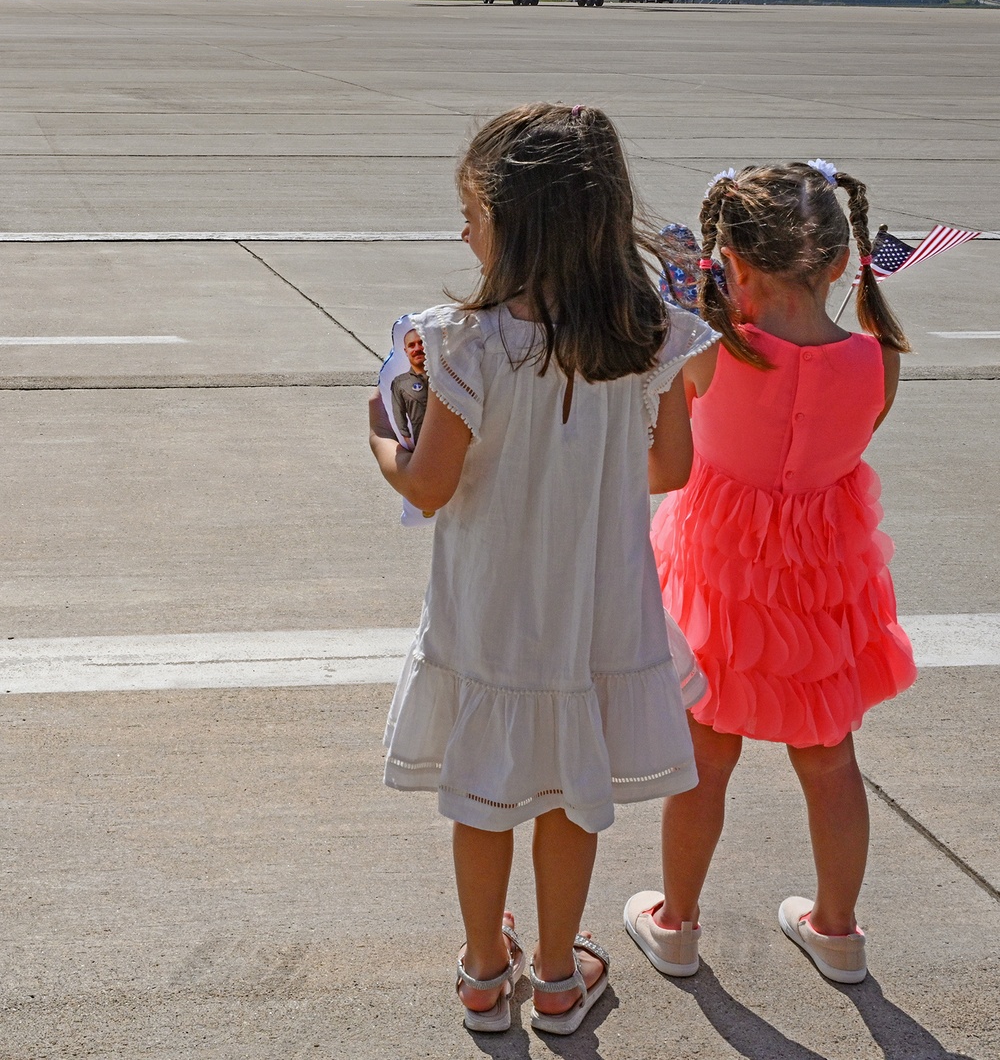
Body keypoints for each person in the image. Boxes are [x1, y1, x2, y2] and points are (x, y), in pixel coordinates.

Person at [368, 103, 716, 1035]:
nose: (463, 230)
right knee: (572, 792)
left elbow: (431, 483)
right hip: (595, 614)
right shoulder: (650, 334)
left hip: (492, 615)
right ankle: (560, 978)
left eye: (473, 211)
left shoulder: (465, 343)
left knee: (485, 796)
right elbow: (669, 470)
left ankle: (486, 973)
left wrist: (378, 434)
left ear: (515, 222)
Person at [625, 160, 918, 986]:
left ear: (733, 265)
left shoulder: (712, 355)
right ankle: (837, 930)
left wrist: (688, 307)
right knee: (830, 759)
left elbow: (664, 424)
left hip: (720, 574)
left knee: (704, 756)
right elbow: (848, 437)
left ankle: (677, 923)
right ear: (837, 261)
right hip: (825, 576)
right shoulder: (878, 359)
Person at [389, 328, 429, 446]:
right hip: (420, 444)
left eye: (421, 343)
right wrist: (409, 444)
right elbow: (399, 414)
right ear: (406, 351)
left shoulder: (446, 377)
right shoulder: (400, 383)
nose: (417, 348)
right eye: (412, 345)